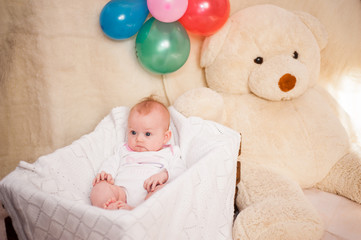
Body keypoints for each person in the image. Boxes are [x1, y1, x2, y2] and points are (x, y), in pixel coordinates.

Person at [90, 97, 185, 210]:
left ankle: (141, 211)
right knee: (99, 188)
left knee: (164, 193)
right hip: (122, 193)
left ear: (165, 137)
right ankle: (111, 206)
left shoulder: (170, 153)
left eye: (147, 134)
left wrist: (164, 175)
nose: (139, 139)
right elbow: (111, 162)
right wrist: (106, 174)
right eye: (133, 132)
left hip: (150, 192)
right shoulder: (123, 150)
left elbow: (181, 171)